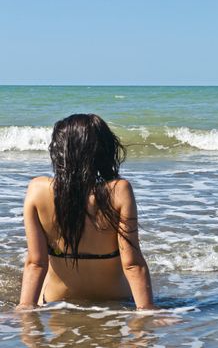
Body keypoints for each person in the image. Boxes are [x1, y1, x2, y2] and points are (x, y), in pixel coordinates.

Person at [16, 114, 156, 310]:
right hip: (115, 301)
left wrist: (24, 309)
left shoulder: (38, 189)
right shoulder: (119, 190)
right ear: (103, 151)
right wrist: (148, 310)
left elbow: (36, 263)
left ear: (60, 151)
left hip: (57, 302)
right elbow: (132, 263)